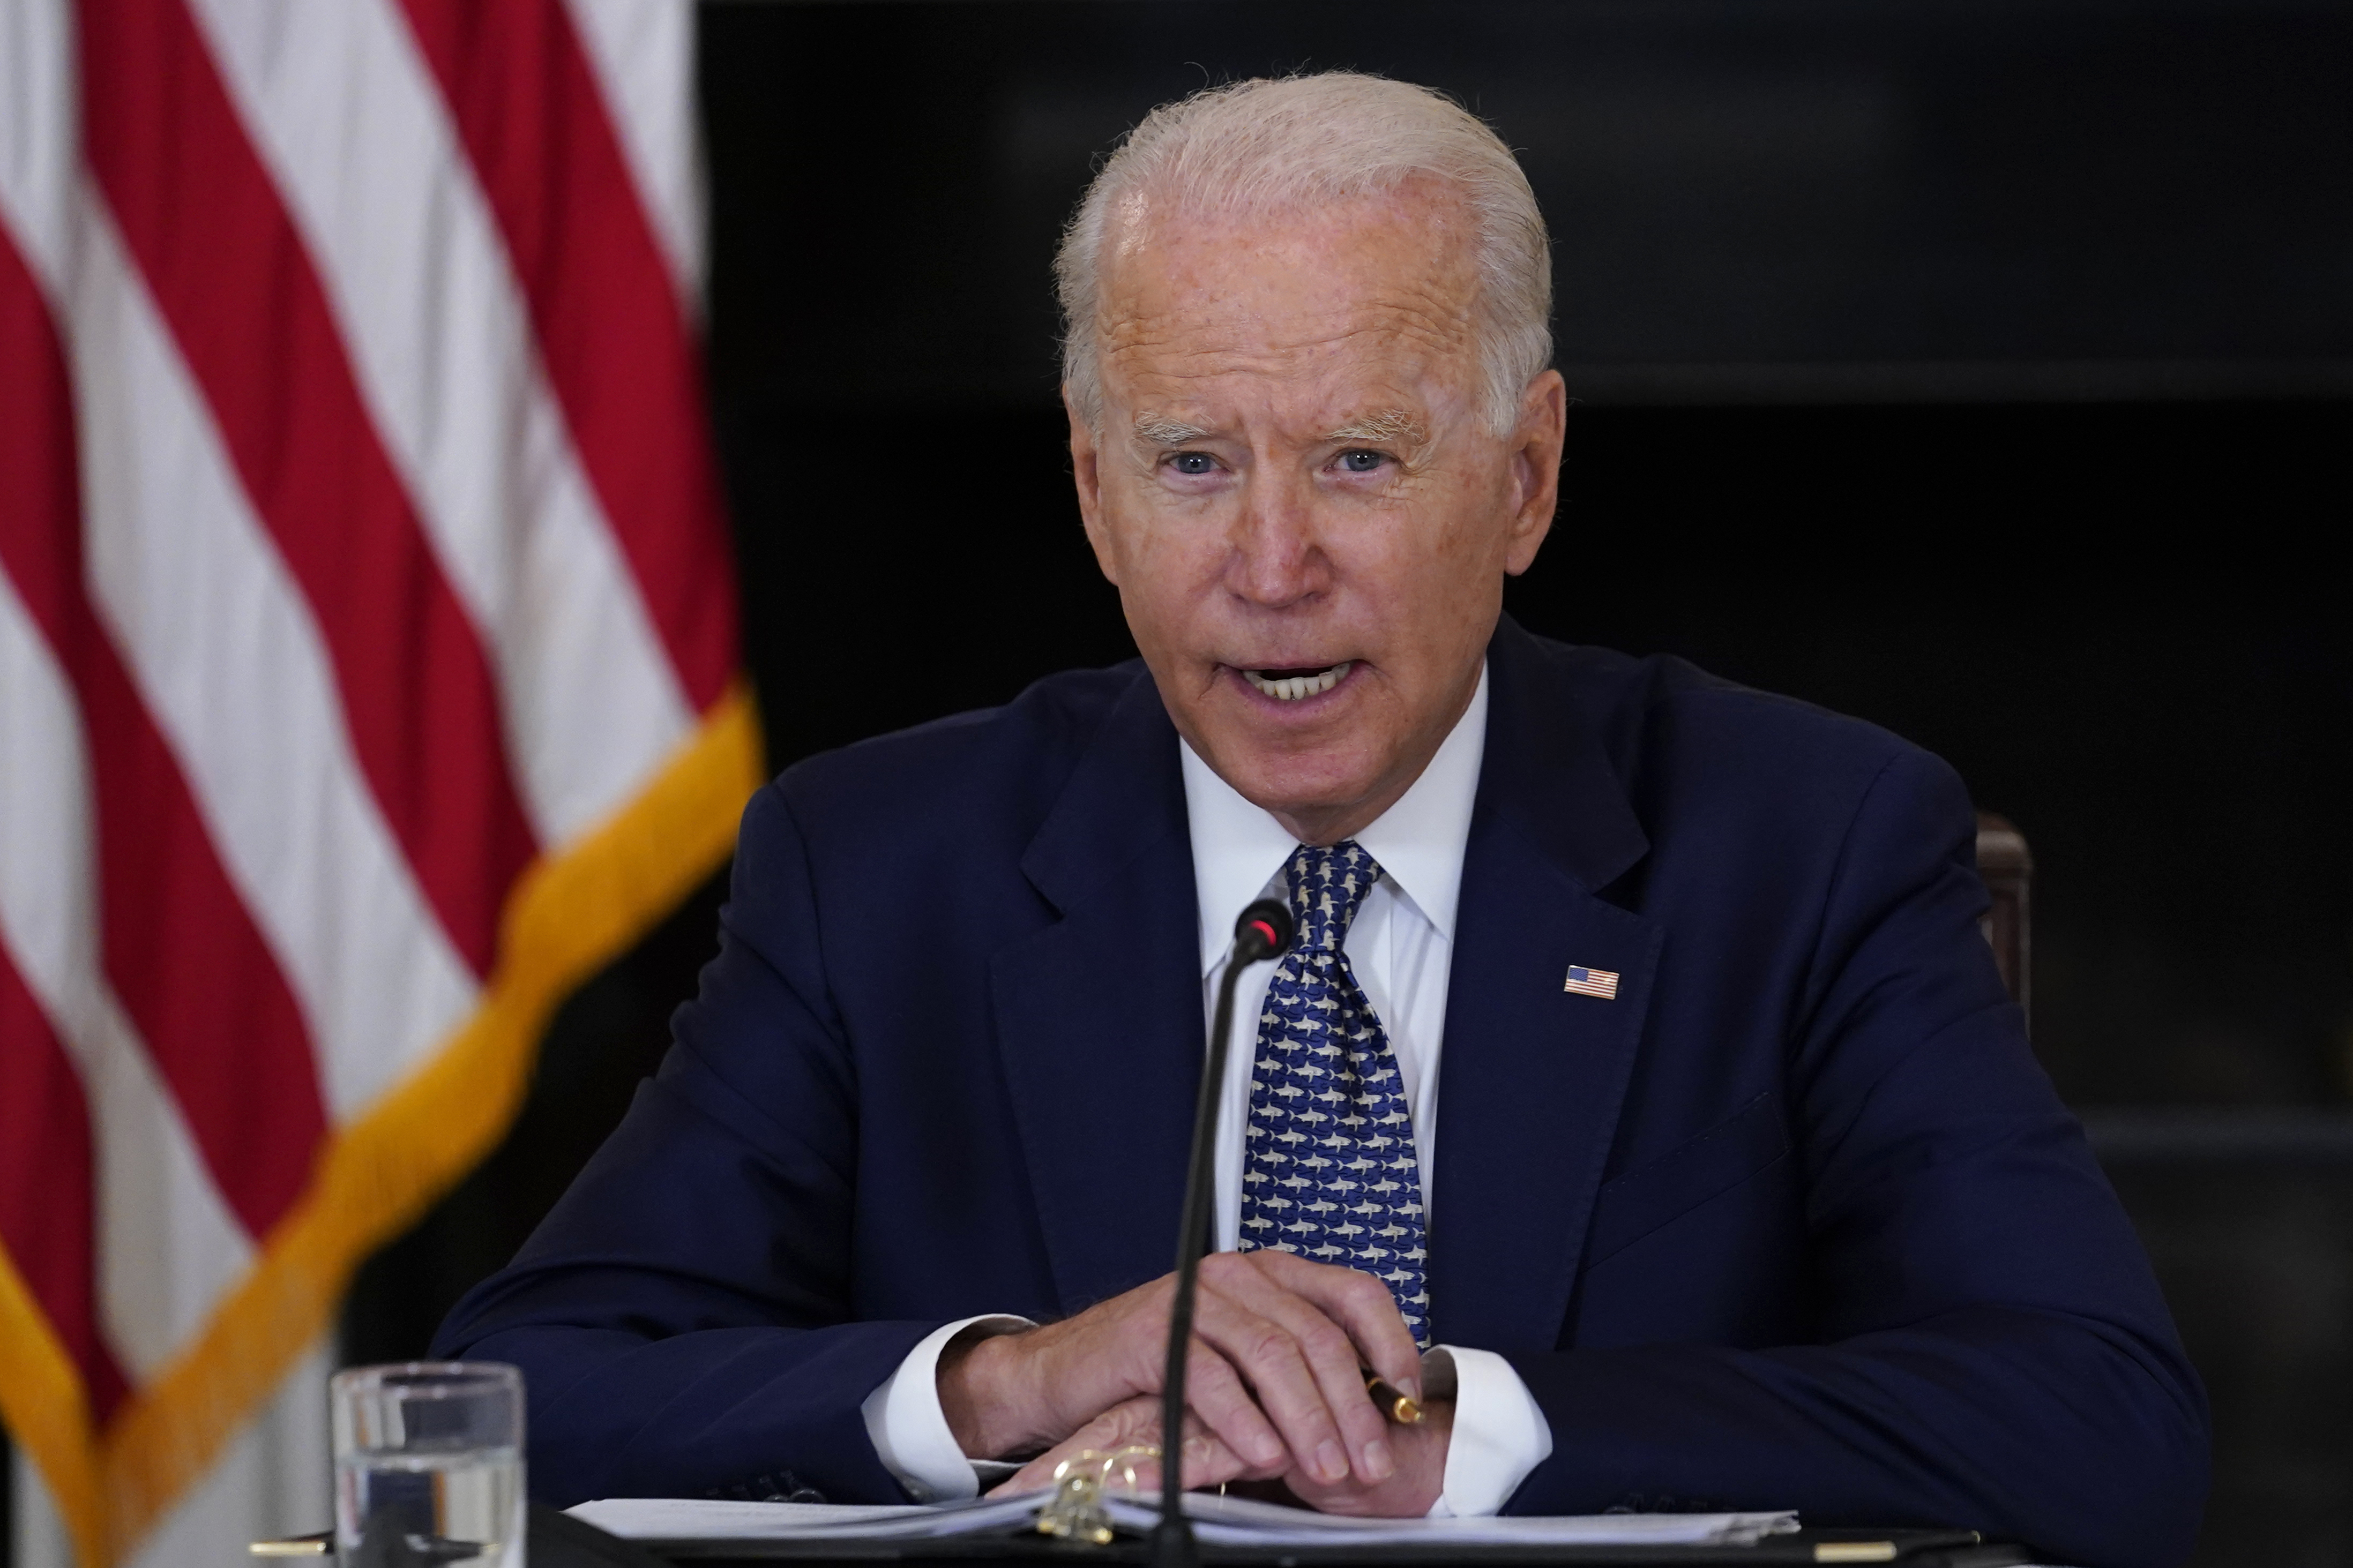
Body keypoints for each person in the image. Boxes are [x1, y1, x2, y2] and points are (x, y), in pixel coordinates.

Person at [434, 72, 2207, 1565]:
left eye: (1360, 458)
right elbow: (525, 1393)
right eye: (1194, 463)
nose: (1271, 569)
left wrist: (1470, 1426)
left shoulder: (1804, 843)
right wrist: (1005, 1384)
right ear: (1092, 489)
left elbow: (2100, 1422)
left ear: (1526, 479)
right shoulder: (879, 866)